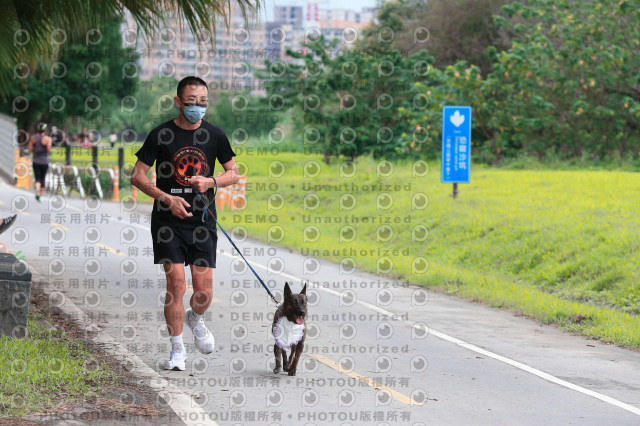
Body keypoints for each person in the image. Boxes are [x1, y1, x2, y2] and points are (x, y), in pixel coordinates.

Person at [131, 76, 239, 371]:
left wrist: (210, 181)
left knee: (203, 293)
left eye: (202, 102)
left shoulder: (215, 135)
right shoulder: (161, 134)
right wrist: (167, 199)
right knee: (176, 283)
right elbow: (137, 176)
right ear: (178, 102)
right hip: (168, 221)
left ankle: (196, 317)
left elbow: (233, 173)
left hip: (203, 220)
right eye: (191, 101)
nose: (197, 107)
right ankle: (177, 350)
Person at [28, 122, 52, 202]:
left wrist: (36, 149)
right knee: (43, 179)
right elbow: (48, 149)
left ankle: (37, 189)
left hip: (36, 161)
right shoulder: (48, 139)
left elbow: (30, 149)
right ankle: (41, 196)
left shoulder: (33, 138)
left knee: (37, 178)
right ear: (45, 130)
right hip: (44, 161)